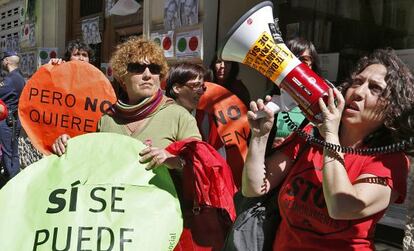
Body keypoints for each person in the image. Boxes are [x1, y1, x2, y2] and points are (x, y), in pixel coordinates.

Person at [242, 48, 413, 250]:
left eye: (375, 89)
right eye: (357, 82)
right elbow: (252, 188)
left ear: (393, 108)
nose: (358, 92)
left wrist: (330, 135)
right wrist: (259, 137)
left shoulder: (390, 161)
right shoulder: (311, 135)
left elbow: (341, 206)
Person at [266, 37, 322, 151]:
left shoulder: (322, 103)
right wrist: (269, 144)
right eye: (291, 60)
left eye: (303, 61)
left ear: (313, 67)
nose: (296, 67)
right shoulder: (271, 98)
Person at [0, 51, 25, 180]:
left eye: (2, 60)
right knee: (13, 152)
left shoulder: (10, 80)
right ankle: (13, 178)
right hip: (14, 119)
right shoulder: (20, 76)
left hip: (7, 121)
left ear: (7, 61)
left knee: (8, 153)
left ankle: (12, 181)